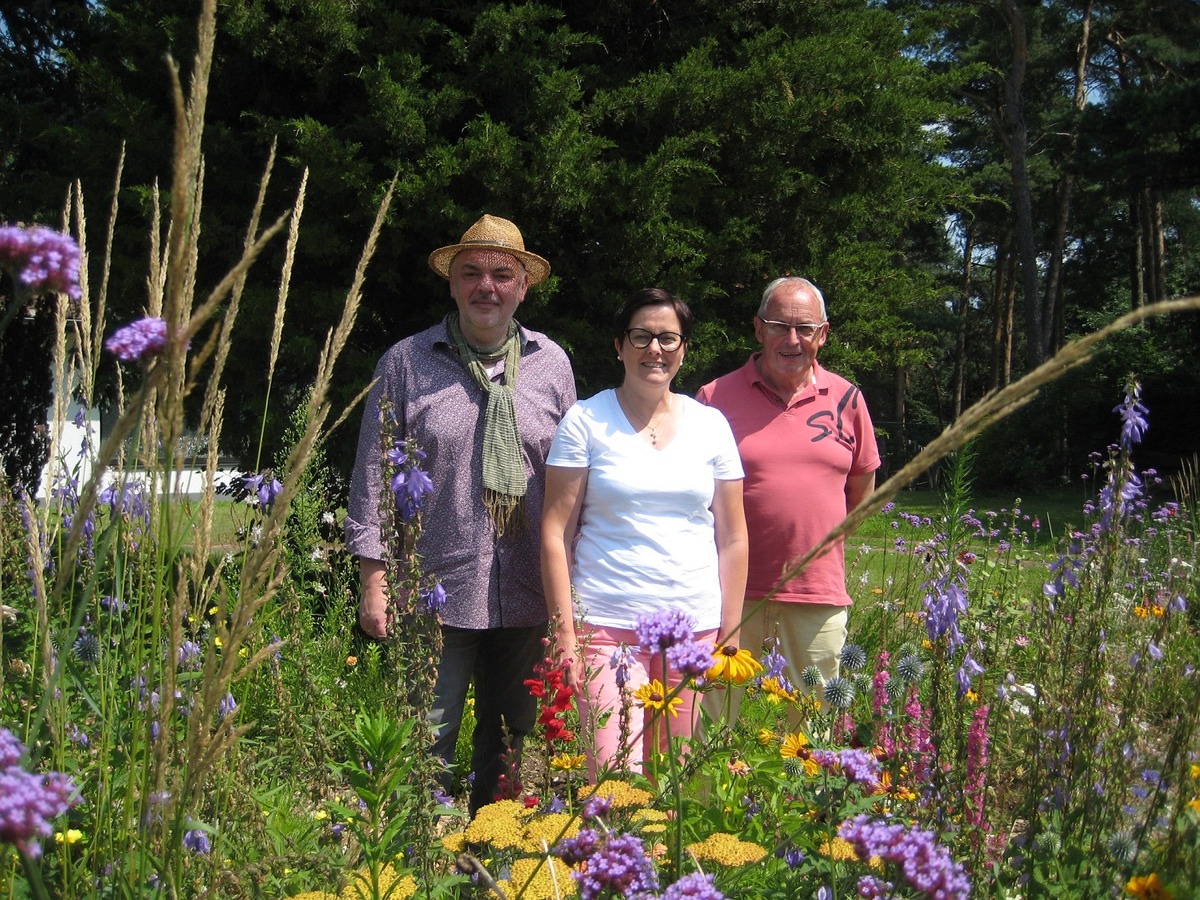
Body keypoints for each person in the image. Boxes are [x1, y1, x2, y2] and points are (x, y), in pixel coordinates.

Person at [345, 214, 576, 815]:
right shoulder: (407, 362)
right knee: (427, 739)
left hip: (527, 591)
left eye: (502, 274)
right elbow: (372, 472)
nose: (486, 287)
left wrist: (571, 596)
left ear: (523, 287)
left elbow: (575, 483)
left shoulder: (552, 364)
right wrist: (374, 580)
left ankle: (489, 860)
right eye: (470, 273)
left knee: (510, 743)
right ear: (451, 283)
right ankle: (418, 861)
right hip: (434, 590)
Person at [541, 288, 748, 776]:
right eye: (641, 336)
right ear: (619, 345)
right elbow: (554, 532)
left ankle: (664, 856)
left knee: (675, 780)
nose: (655, 348)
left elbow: (734, 537)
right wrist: (563, 634)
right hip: (607, 629)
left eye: (668, 338)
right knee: (613, 778)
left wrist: (729, 634)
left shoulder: (712, 426)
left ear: (684, 350)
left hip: (692, 631)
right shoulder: (585, 421)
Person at [696, 276, 880, 701]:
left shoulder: (848, 400)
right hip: (727, 598)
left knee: (812, 734)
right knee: (712, 734)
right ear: (759, 329)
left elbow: (862, 489)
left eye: (805, 329)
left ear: (824, 334)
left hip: (818, 597)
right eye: (780, 326)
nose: (792, 340)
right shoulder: (713, 398)